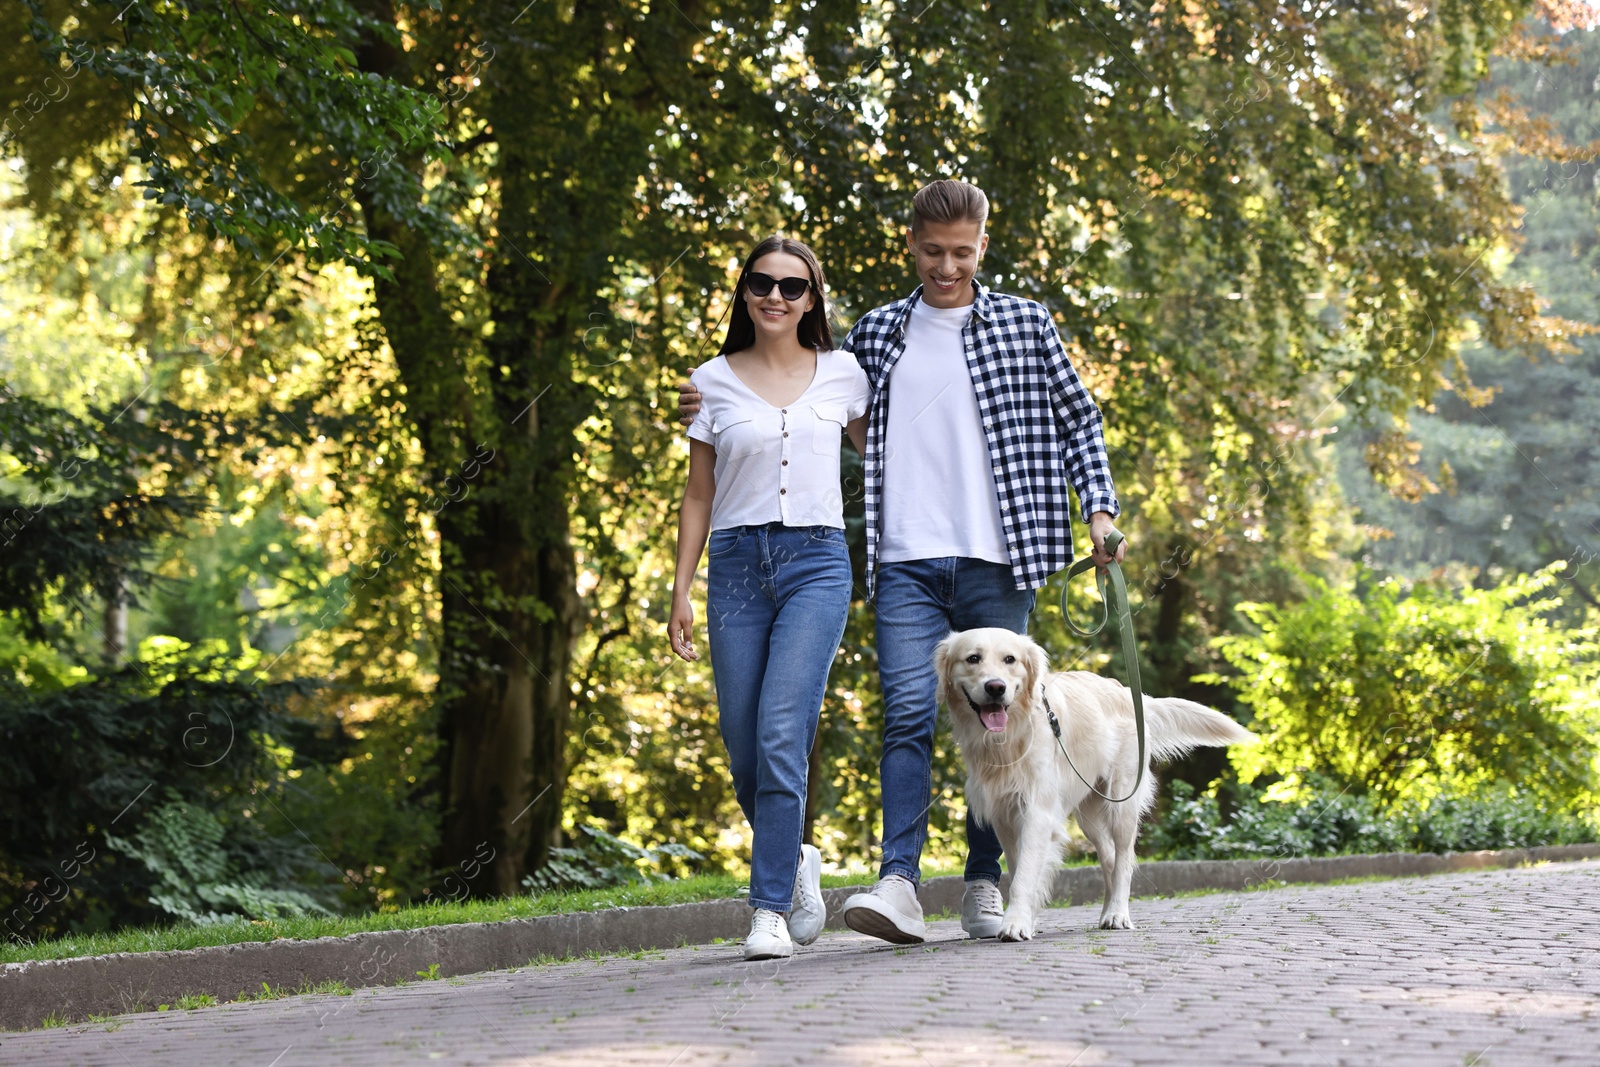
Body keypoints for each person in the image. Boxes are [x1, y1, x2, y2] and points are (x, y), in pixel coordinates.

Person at [678, 180, 1127, 945]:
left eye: (961, 251)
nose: (945, 266)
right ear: (910, 246)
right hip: (907, 558)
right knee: (908, 718)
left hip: (1001, 553)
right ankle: (900, 881)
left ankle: (983, 881)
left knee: (1002, 724)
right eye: (931, 252)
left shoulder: (1025, 323)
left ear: (983, 245)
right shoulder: (879, 334)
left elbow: (1079, 418)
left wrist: (1101, 511)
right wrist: (715, 403)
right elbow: (802, 393)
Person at [668, 235, 869, 961]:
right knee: (742, 741)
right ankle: (798, 858)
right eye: (761, 283)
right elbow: (698, 494)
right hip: (735, 566)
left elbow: (891, 451)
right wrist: (680, 590)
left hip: (817, 563)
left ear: (813, 298)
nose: (775, 297)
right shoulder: (711, 381)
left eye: (792, 287)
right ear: (744, 291)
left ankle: (767, 909)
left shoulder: (846, 374)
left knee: (784, 729)